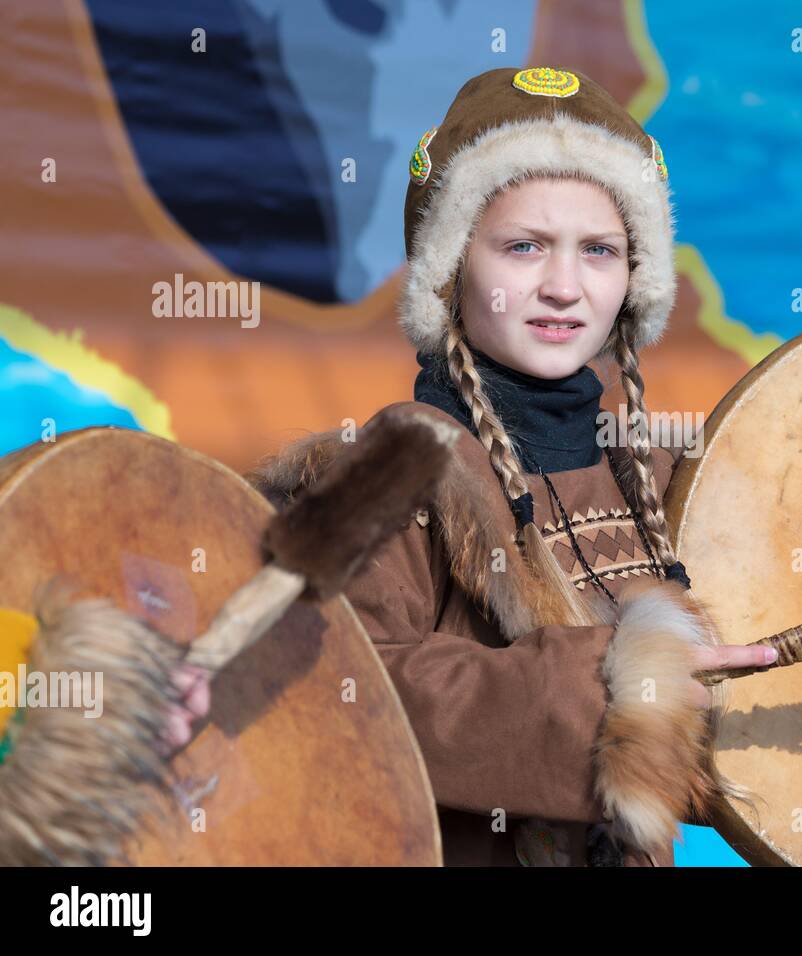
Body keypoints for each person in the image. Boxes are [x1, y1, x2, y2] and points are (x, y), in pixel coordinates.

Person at [251, 66, 768, 866]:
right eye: (523, 247)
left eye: (599, 250)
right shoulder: (392, 468)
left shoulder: (665, 479)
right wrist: (607, 691)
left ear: (635, 280)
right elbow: (332, 682)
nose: (563, 287)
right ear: (454, 268)